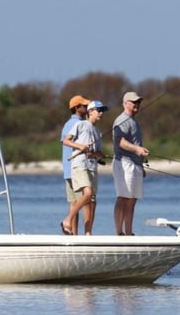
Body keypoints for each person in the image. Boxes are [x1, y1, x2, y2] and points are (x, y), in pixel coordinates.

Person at [65, 100, 108, 235]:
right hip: (80, 165)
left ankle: (88, 233)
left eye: (102, 111)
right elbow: (66, 141)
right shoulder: (81, 124)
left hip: (92, 167)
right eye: (99, 110)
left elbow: (96, 153)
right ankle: (67, 220)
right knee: (87, 193)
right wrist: (80, 146)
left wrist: (99, 154)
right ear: (90, 111)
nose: (101, 113)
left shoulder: (98, 132)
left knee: (92, 200)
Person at [112, 91, 150, 235]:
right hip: (124, 163)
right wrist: (137, 149)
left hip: (136, 165)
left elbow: (135, 143)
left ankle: (128, 232)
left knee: (132, 199)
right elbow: (120, 141)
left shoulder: (134, 122)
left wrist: (141, 164)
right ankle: (119, 232)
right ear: (125, 103)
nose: (137, 104)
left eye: (138, 102)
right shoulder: (121, 120)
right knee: (123, 197)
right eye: (134, 102)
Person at [60, 95, 90, 235]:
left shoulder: (68, 123)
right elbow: (67, 142)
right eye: (84, 106)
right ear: (77, 108)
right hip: (75, 169)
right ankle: (77, 233)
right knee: (80, 203)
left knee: (73, 203)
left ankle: (73, 234)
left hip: (68, 170)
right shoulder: (78, 124)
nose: (87, 108)